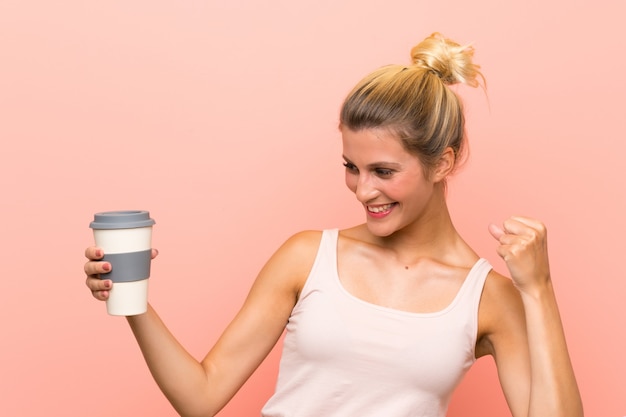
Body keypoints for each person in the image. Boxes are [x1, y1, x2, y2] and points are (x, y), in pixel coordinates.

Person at [84, 32, 583, 417]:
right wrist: (131, 297)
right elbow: (201, 395)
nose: (363, 191)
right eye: (351, 167)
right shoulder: (306, 257)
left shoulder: (489, 298)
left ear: (443, 163)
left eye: (384, 171)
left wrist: (538, 289)